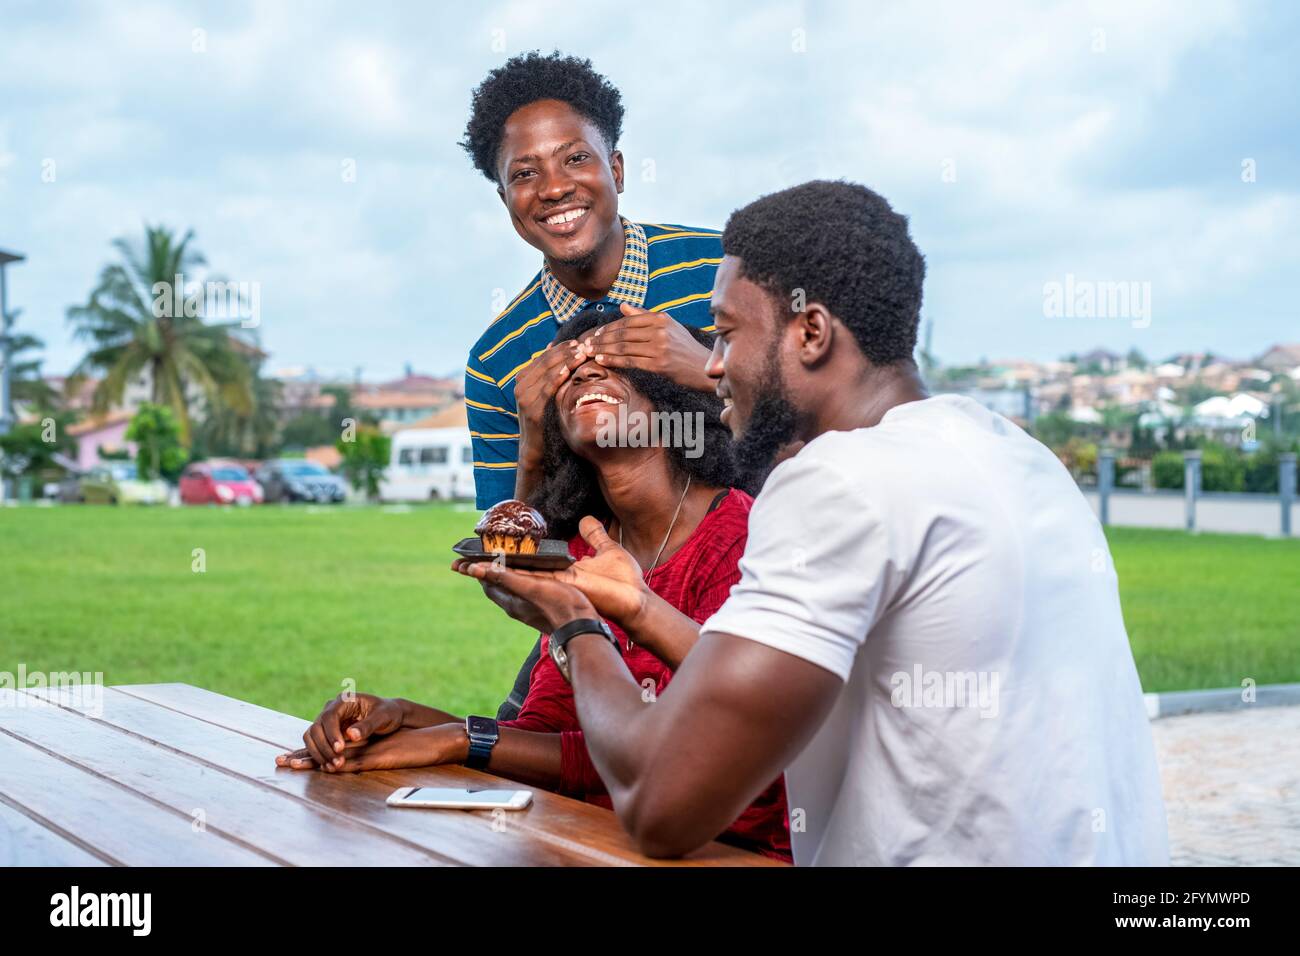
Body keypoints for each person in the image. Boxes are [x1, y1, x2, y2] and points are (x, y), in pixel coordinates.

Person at [456, 179, 1171, 866]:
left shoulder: (837, 483)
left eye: (726, 335)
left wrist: (576, 625)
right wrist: (637, 607)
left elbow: (658, 806)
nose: (709, 369)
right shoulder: (1015, 454)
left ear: (812, 333)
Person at [277, 309, 791, 862]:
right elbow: (541, 732)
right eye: (570, 369)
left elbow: (701, 763)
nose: (586, 374)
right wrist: (404, 715)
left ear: (670, 399)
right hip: (598, 841)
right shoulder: (580, 554)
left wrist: (460, 738)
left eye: (614, 362)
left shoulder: (742, 535)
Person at [459, 51, 728, 719]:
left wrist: (706, 369)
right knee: (517, 739)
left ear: (616, 169)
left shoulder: (723, 272)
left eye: (575, 159)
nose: (553, 187)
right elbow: (509, 575)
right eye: (525, 173)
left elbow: (830, 433)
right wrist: (531, 437)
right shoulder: (498, 358)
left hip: (751, 582)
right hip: (597, 603)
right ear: (504, 199)